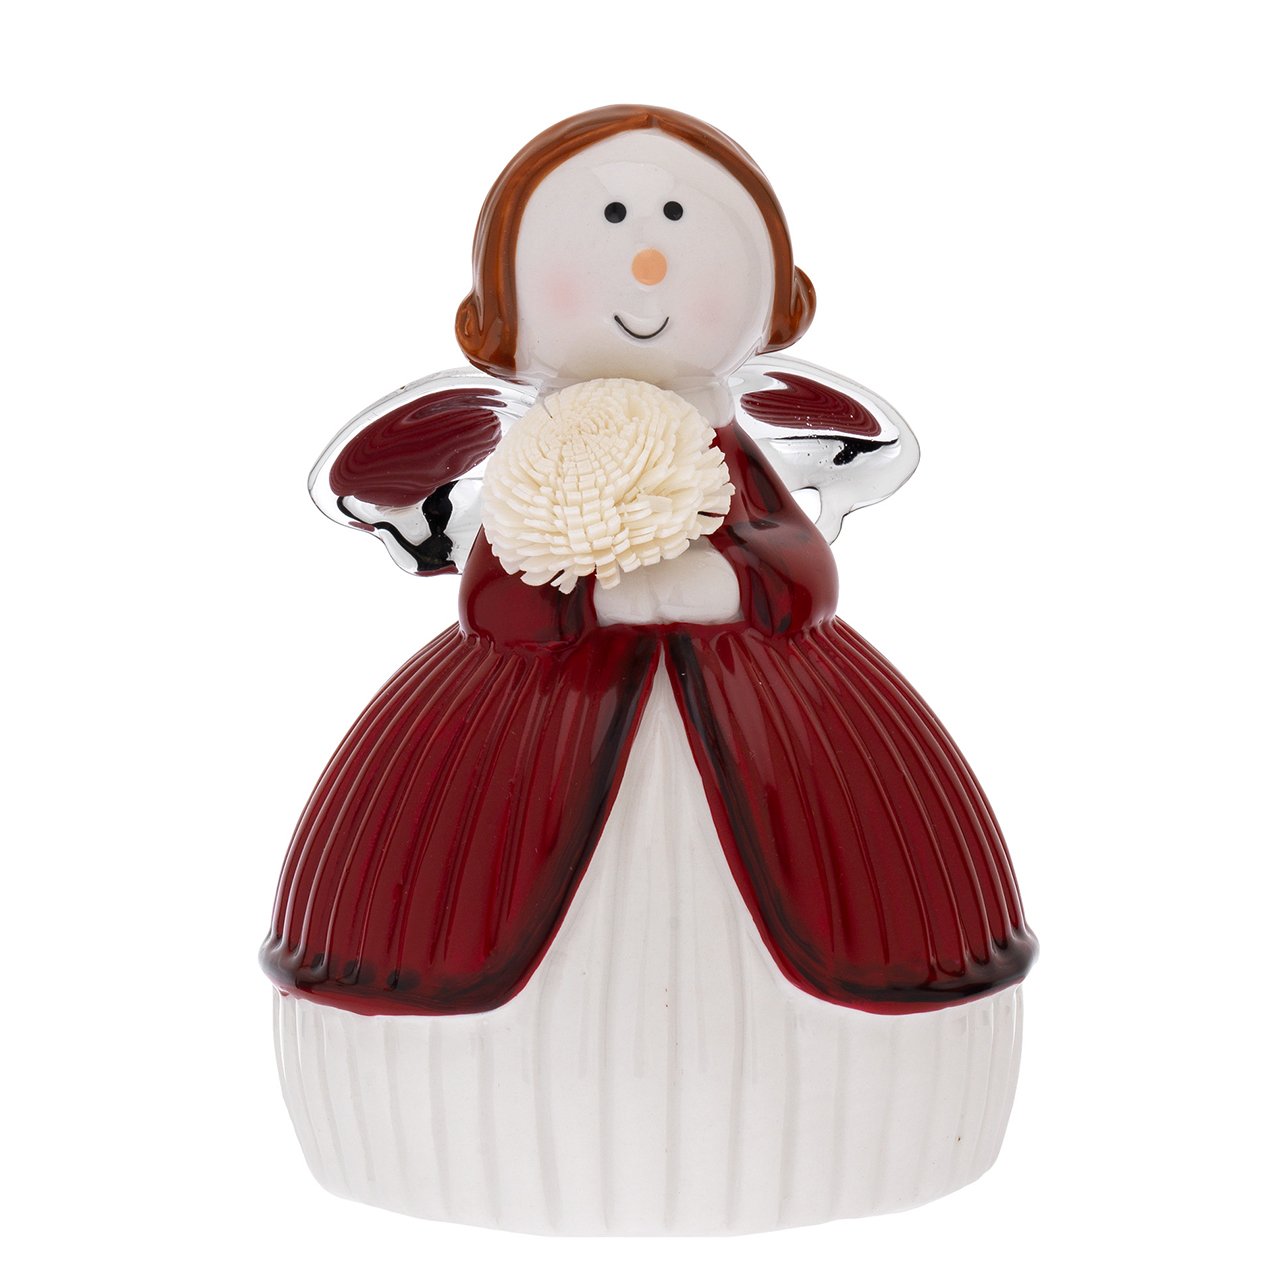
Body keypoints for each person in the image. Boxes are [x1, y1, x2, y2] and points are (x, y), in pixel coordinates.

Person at [262, 104, 1036, 1233]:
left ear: (774, 294)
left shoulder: (734, 449)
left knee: (852, 891)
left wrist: (712, 583)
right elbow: (497, 598)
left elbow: (797, 572)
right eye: (614, 218)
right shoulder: (528, 465)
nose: (647, 258)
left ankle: (854, 1114)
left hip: (774, 720)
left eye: (677, 218)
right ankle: (459, 1121)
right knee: (456, 891)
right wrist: (583, 587)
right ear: (499, 310)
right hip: (532, 731)